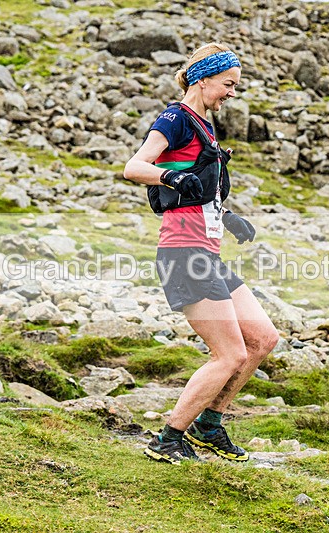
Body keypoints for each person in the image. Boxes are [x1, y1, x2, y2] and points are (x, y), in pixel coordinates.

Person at [123, 43, 280, 464]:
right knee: (229, 354)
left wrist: (226, 217)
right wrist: (170, 176)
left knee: (263, 339)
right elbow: (135, 167)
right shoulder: (174, 118)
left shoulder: (206, 126)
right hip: (183, 251)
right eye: (228, 84)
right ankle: (168, 439)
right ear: (203, 78)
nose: (232, 92)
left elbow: (202, 189)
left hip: (208, 250)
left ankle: (209, 426)